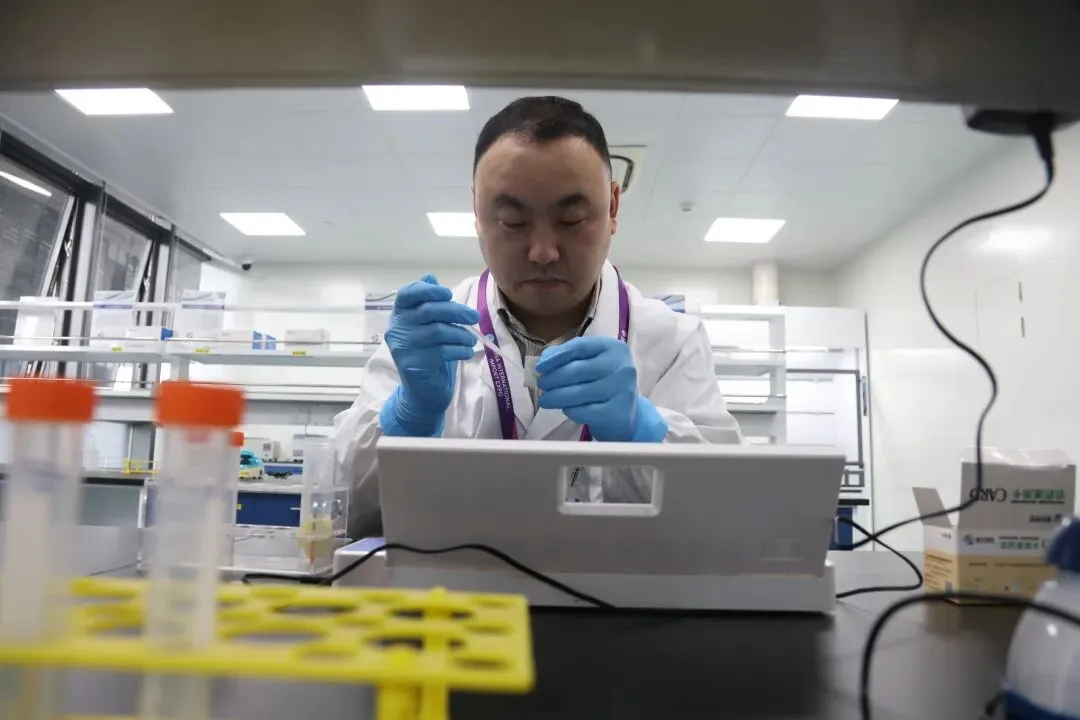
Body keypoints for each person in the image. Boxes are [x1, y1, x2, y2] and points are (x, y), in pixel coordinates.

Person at [335, 96, 742, 537]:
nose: (543, 252)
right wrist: (408, 419)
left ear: (612, 208)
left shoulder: (672, 341)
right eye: (513, 222)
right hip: (454, 581)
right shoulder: (428, 337)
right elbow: (341, 510)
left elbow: (725, 516)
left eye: (572, 219)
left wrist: (644, 433)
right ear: (477, 213)